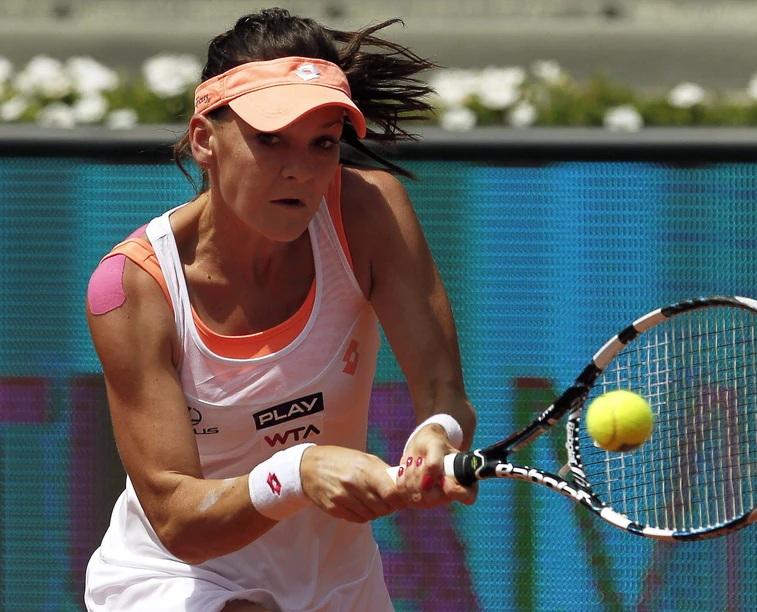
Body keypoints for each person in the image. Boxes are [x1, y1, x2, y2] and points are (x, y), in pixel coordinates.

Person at [83, 7, 477, 612]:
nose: (300, 170)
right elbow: (178, 522)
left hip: (340, 581)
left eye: (323, 143)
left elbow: (444, 393)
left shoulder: (369, 213)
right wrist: (297, 473)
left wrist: (438, 433)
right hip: (179, 579)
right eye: (270, 140)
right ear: (204, 140)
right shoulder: (131, 288)